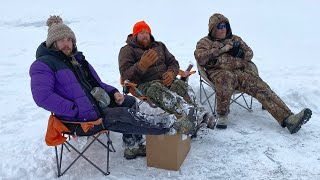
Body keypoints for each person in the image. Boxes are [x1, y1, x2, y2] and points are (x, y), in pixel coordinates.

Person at [29, 16, 193, 160]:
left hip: (94, 105)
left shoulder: (77, 61)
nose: (66, 43)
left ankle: (132, 146)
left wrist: (113, 92)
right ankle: (169, 125)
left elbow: (96, 84)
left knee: (128, 102)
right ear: (53, 43)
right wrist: (75, 109)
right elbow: (42, 97)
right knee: (121, 115)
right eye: (61, 40)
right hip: (77, 119)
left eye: (69, 39)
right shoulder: (43, 65)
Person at [194, 13, 312, 133]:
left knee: (261, 87)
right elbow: (201, 58)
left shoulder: (235, 39)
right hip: (218, 74)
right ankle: (222, 115)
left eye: (225, 26)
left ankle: (289, 119)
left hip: (240, 73)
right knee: (226, 77)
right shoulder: (204, 42)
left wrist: (240, 53)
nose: (223, 29)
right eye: (219, 27)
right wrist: (222, 50)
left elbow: (250, 53)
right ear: (213, 28)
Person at [118, 20, 215, 136]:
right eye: (141, 33)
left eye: (147, 32)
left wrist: (171, 73)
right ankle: (188, 112)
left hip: (166, 80)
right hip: (144, 84)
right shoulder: (127, 50)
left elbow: (173, 62)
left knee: (181, 85)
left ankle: (202, 114)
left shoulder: (159, 46)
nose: (145, 35)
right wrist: (141, 66)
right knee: (156, 88)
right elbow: (125, 74)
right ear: (135, 35)